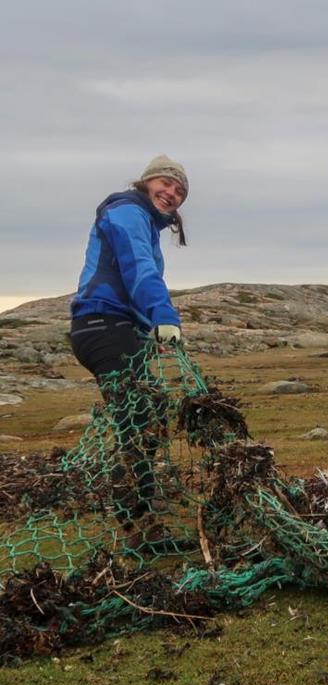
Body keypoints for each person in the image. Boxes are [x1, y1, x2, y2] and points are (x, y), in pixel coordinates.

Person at [68, 155, 190, 548]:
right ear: (145, 182)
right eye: (166, 183)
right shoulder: (126, 211)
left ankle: (142, 520)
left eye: (180, 191)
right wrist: (163, 314)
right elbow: (138, 267)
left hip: (119, 328)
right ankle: (139, 529)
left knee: (144, 418)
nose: (172, 193)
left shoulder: (142, 220)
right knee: (137, 424)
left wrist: (148, 325)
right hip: (104, 325)